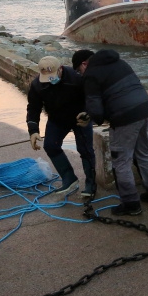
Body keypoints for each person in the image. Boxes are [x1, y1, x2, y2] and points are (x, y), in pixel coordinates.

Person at [78, 49, 148, 216]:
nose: (80, 74)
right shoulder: (119, 62)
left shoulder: (91, 74)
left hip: (125, 118)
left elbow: (96, 110)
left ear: (84, 64)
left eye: (78, 70)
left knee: (121, 161)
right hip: (145, 109)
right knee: (144, 153)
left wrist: (91, 117)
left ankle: (131, 203)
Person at [26, 56, 95, 198]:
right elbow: (33, 108)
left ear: (61, 69)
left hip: (80, 117)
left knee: (85, 150)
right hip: (57, 118)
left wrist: (88, 114)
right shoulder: (37, 85)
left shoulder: (77, 79)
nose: (50, 79)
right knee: (50, 145)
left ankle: (91, 183)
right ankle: (69, 178)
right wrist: (33, 130)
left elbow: (92, 97)